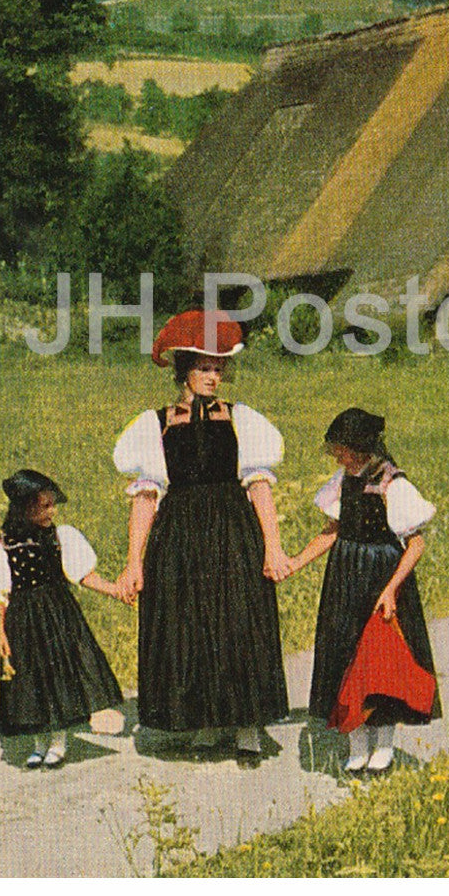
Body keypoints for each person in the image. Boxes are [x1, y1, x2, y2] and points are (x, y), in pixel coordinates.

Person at [111, 310, 291, 767]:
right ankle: (205, 722)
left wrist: (273, 546)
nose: (213, 377)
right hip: (180, 534)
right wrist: (134, 562)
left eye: (218, 368)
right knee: (190, 621)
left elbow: (260, 487)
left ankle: (248, 726)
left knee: (237, 619)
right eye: (204, 368)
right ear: (184, 371)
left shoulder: (241, 419)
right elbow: (145, 497)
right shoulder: (155, 424)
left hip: (233, 529)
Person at [289, 408, 439, 772]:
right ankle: (356, 743)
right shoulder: (343, 480)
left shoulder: (392, 484)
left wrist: (390, 590)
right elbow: (333, 530)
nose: (337, 456)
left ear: (360, 448)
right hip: (345, 576)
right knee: (346, 654)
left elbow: (415, 545)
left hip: (381, 576)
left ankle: (383, 745)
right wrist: (296, 562)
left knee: (381, 660)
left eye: (342, 449)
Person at [0, 469, 125, 768]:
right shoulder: (1, 544)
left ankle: (58, 741)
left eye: (52, 504)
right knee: (30, 678)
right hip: (22, 620)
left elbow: (83, 575)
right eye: (44, 505)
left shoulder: (61, 537)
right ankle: (39, 743)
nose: (52, 511)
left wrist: (113, 590)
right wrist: (0, 633)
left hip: (57, 615)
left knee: (56, 675)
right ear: (24, 508)